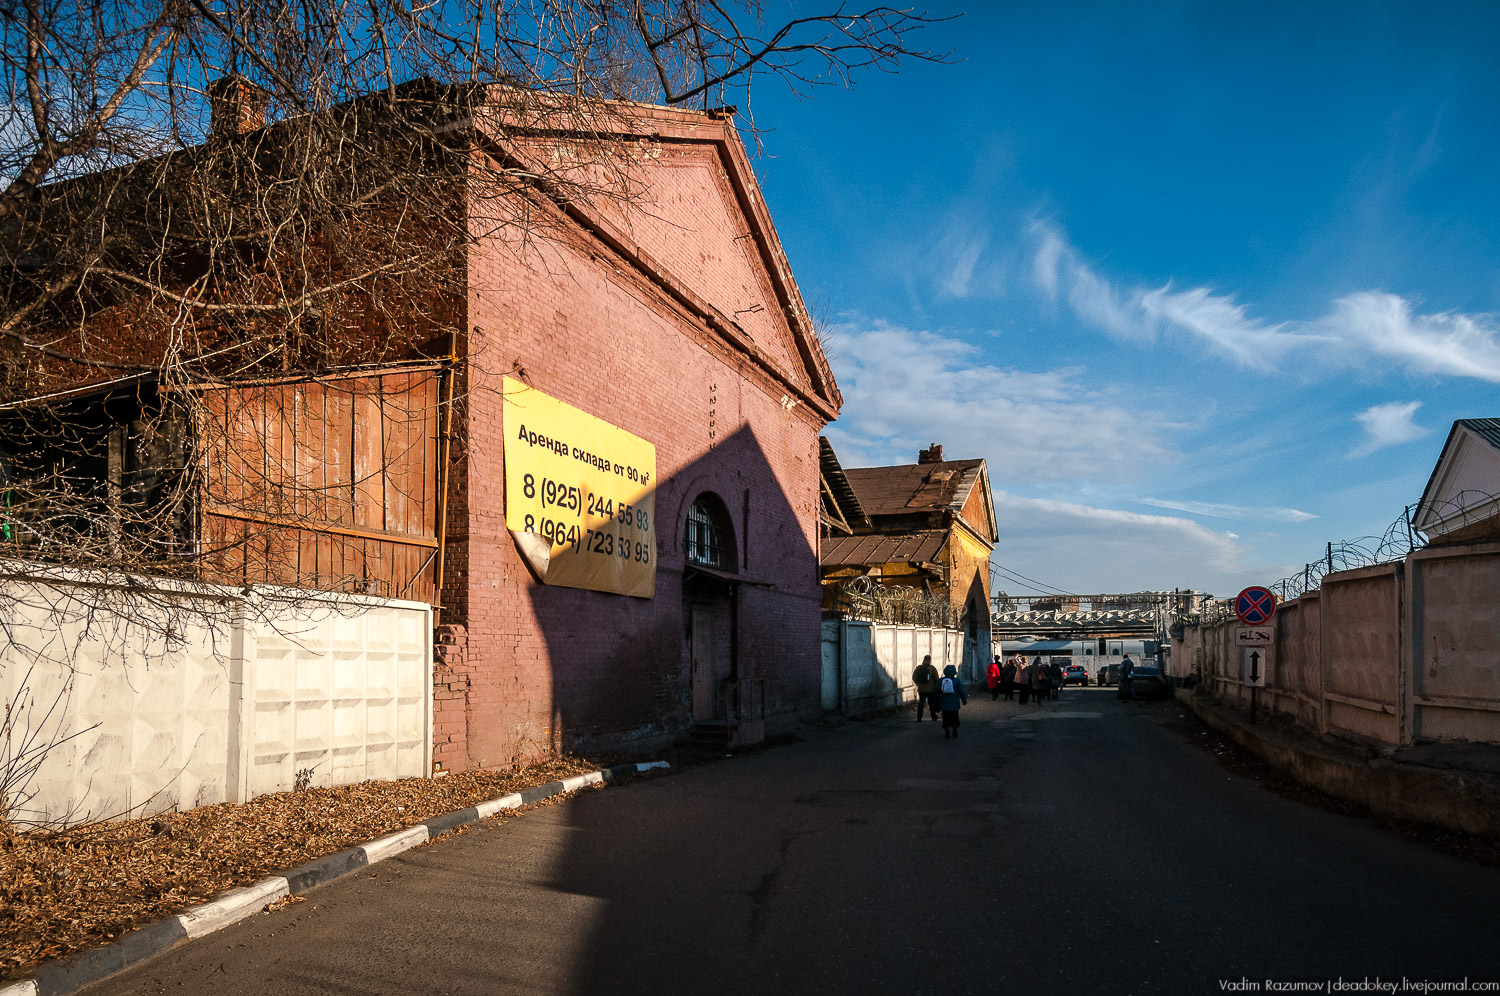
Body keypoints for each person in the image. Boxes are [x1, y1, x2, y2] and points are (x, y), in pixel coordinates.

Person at [938, 663, 968, 738]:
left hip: (944, 704)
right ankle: (955, 731)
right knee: (954, 717)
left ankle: (947, 731)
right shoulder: (957, 681)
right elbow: (962, 692)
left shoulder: (941, 681)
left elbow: (936, 691)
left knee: (945, 718)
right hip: (954, 704)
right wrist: (964, 700)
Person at [912, 654, 940, 721]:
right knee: (931, 704)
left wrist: (918, 684)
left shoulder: (919, 668)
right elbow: (937, 678)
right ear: (930, 660)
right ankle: (934, 717)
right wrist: (935, 686)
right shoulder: (932, 668)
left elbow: (914, 677)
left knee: (921, 703)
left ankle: (919, 717)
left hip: (921, 689)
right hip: (930, 690)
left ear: (924, 660)